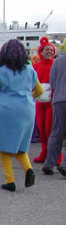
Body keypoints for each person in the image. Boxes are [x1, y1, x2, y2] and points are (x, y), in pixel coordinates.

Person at [0, 40, 43, 192]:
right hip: (26, 109)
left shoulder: (1, 70)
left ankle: (10, 180)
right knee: (20, 145)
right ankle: (28, 169)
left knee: (5, 146)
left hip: (5, 109)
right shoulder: (30, 69)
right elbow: (40, 91)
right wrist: (28, 96)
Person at [32, 38, 58, 164]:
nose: (49, 52)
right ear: (41, 52)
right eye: (47, 49)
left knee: (50, 129)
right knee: (41, 130)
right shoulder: (35, 67)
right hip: (39, 102)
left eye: (51, 50)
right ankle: (44, 152)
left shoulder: (56, 65)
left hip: (51, 103)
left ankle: (55, 155)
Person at [42, 48, 66, 176]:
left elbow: (52, 81)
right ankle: (65, 165)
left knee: (56, 132)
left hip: (58, 99)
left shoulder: (57, 61)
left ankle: (49, 164)